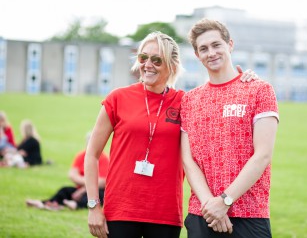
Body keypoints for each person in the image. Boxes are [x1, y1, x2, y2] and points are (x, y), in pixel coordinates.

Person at [84, 31, 257, 238]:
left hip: (164, 215)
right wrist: (94, 205)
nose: (148, 65)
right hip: (120, 211)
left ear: (172, 65)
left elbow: (218, 103)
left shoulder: (186, 101)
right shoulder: (118, 98)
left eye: (157, 60)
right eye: (143, 58)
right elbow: (92, 155)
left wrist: (244, 82)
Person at [180, 18, 279, 238]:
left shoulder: (259, 90)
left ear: (230, 45)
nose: (211, 53)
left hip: (249, 213)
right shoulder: (190, 100)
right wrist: (211, 206)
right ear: (197, 55)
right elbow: (189, 161)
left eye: (216, 45)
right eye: (203, 48)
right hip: (202, 213)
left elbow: (262, 155)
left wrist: (225, 200)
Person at [26, 132, 109, 211]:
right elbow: (72, 175)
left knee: (95, 195)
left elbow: (102, 182)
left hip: (95, 190)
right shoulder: (81, 156)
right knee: (64, 190)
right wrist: (88, 182)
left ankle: (76, 205)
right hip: (82, 188)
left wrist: (83, 189)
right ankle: (46, 203)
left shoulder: (104, 159)